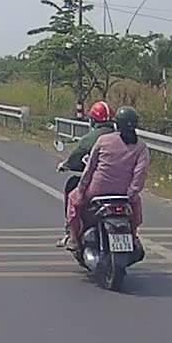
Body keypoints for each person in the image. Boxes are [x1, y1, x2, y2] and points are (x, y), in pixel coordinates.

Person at [65, 106, 150, 251]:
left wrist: (81, 190)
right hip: (124, 194)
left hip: (97, 190)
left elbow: (90, 168)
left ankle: (73, 238)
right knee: (135, 211)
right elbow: (140, 173)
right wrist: (131, 193)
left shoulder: (103, 141)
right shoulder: (141, 147)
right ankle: (133, 235)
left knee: (73, 200)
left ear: (116, 124)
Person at [56, 101, 115, 247]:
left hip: (97, 185)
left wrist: (66, 165)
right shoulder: (121, 138)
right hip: (121, 186)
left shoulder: (92, 139)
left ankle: (72, 234)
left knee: (73, 192)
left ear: (93, 120)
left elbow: (76, 157)